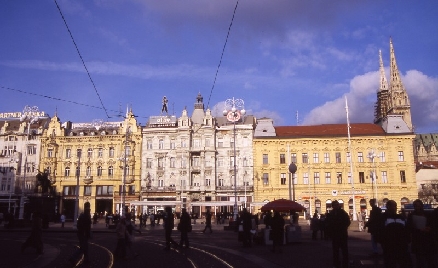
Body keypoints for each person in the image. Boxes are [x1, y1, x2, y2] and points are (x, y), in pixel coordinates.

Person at [376, 200, 412, 268]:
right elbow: (379, 231)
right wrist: (383, 243)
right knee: (390, 264)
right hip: (389, 247)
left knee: (405, 263)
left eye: (395, 206)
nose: (395, 208)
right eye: (393, 206)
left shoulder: (401, 217)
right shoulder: (383, 218)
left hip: (402, 246)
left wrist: (407, 240)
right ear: (388, 207)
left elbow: (406, 229)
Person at [407, 199, 436, 268]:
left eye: (419, 206)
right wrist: (419, 230)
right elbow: (409, 228)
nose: (418, 208)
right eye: (416, 206)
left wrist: (429, 228)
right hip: (417, 240)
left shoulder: (428, 214)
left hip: (428, 240)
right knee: (420, 260)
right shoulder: (411, 216)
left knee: (430, 259)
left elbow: (432, 224)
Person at [326, 200, 350, 268]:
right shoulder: (331, 213)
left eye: (337, 205)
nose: (336, 206)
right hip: (335, 235)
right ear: (332, 206)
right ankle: (336, 263)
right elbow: (329, 223)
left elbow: (347, 221)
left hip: (342, 234)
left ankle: (345, 263)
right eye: (335, 205)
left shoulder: (343, 213)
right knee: (335, 250)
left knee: (344, 250)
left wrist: (343, 227)